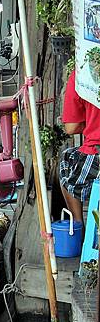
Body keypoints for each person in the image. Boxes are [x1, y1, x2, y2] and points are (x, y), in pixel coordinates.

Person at [60, 69, 100, 223]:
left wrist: (91, 122)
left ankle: (78, 226)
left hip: (96, 151)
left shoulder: (82, 74)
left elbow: (71, 128)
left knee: (67, 163)